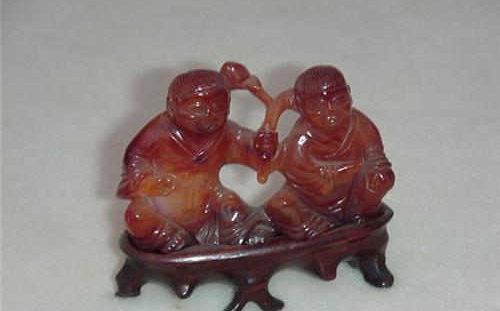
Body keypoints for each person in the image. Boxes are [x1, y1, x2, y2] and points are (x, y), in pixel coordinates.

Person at [117, 69, 274, 253]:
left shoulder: (225, 132)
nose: (210, 115)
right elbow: (135, 158)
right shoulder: (158, 133)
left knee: (230, 206)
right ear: (171, 106)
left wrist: (262, 146)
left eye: (219, 105)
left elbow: (251, 151)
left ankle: (248, 233)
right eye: (196, 108)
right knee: (136, 216)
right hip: (163, 206)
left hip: (209, 200)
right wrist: (148, 180)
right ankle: (171, 238)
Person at [264, 65, 395, 241]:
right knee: (278, 205)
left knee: (381, 176)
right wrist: (334, 172)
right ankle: (317, 230)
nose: (329, 110)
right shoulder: (302, 136)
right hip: (308, 200)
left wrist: (372, 177)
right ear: (301, 106)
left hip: (352, 198)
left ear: (349, 95)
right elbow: (298, 171)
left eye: (337, 100)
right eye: (317, 105)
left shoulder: (363, 126)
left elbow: (376, 162)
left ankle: (360, 220)